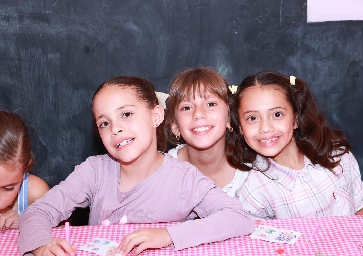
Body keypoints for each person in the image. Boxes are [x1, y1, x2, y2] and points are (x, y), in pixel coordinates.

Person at [18, 76, 255, 256]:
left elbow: (238, 218)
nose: (115, 128)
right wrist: (40, 245)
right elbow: (37, 212)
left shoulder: (184, 178)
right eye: (104, 123)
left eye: (126, 114)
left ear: (156, 116)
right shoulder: (94, 171)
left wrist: (168, 234)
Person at [229, 71, 363, 219]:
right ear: (240, 127)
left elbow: (361, 207)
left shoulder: (337, 155)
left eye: (277, 114)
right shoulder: (253, 192)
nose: (265, 128)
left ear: (296, 119)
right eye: (252, 118)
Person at [165, 67, 249, 198]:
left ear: (229, 119)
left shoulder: (252, 175)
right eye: (186, 107)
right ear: (175, 127)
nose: (198, 114)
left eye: (210, 104)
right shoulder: (163, 173)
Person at [0, 111, 49, 230]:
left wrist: (27, 224)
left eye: (8, 188)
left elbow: (63, 233)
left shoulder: (36, 194)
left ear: (25, 168)